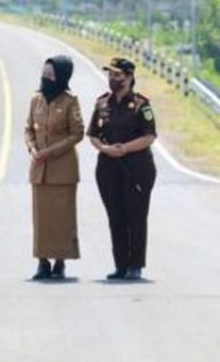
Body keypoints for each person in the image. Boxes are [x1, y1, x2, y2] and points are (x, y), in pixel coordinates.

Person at [87, 57, 157, 281]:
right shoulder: (102, 103)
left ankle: (135, 265)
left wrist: (124, 148)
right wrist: (106, 149)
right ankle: (120, 266)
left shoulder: (140, 104)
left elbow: (149, 136)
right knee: (115, 217)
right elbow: (93, 135)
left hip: (136, 168)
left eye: (117, 75)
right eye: (110, 75)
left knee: (135, 217)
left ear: (129, 78)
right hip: (108, 166)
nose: (113, 79)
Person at [23, 55, 84, 280]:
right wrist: (31, 148)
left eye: (51, 75)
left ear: (62, 76)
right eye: (44, 74)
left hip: (63, 170)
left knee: (62, 218)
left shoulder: (70, 101)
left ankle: (60, 262)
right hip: (40, 171)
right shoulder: (36, 99)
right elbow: (28, 128)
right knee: (41, 219)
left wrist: (51, 152)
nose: (46, 78)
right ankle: (42, 261)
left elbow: (77, 133)